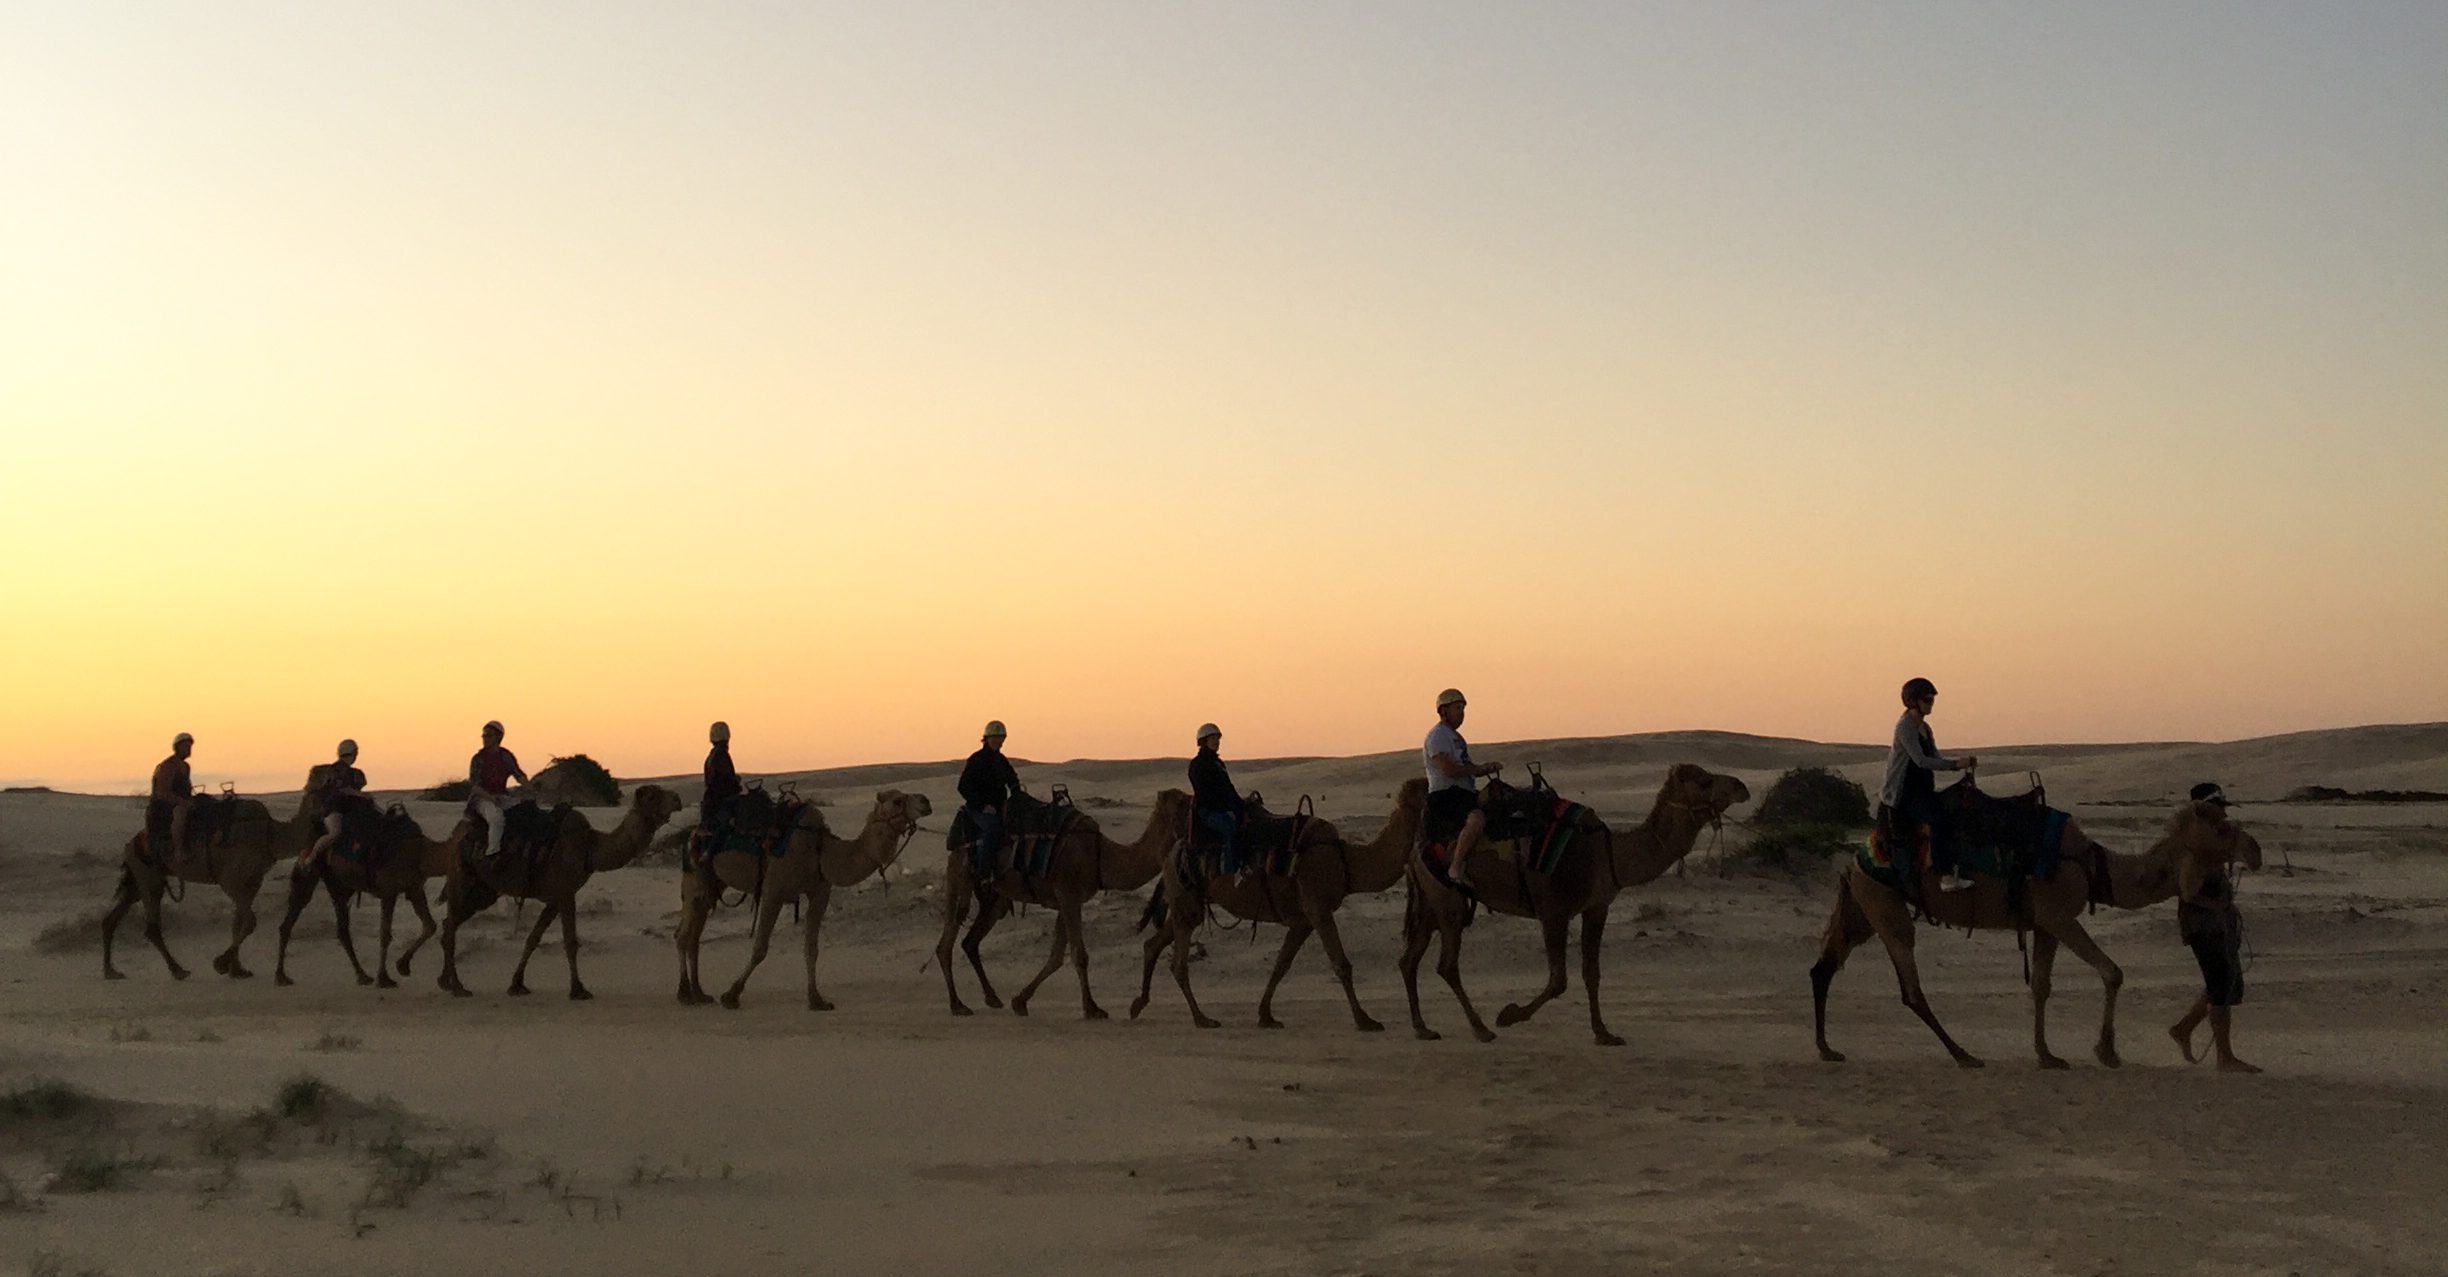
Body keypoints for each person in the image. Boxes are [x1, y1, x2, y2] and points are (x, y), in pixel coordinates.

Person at [2170, 783, 2259, 1072]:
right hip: (2201, 924)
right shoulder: (2192, 850)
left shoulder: (2214, 844)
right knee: (2220, 983)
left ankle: (2184, 1028)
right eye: (2217, 808)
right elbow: (2187, 892)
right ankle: (2224, 1057)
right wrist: (2217, 907)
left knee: (2224, 980)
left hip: (2219, 923)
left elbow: (2254, 861)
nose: (2222, 814)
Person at [1879, 677, 1977, 894]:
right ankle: (1945, 875)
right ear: (1913, 700)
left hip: (1922, 790)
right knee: (1939, 820)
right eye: (1927, 699)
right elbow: (1921, 761)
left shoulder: (1925, 728)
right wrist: (1955, 765)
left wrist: (1961, 763)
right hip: (1904, 794)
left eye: (1932, 699)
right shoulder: (1905, 727)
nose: (1930, 703)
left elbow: (1935, 757)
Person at [1424, 689, 1501, 888]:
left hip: (1464, 793)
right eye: (1457, 708)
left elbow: (1467, 767)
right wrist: (1477, 769)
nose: (1461, 713)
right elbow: (1449, 769)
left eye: (1463, 709)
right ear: (1443, 711)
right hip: (1446, 796)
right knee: (1476, 819)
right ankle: (1456, 867)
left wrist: (1485, 769)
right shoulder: (1438, 736)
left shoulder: (1456, 737)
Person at [957, 721, 1023, 884]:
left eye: (1002, 738)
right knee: (993, 829)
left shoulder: (1001, 760)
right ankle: (983, 872)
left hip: (1000, 806)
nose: (999, 741)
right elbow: (963, 786)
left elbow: (1012, 780)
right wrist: (982, 805)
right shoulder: (976, 760)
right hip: (978, 808)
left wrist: (1018, 795)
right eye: (996, 737)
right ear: (987, 739)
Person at [1188, 723, 1246, 878]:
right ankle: (1229, 874)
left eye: (1217, 738)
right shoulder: (1198, 765)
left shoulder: (1219, 764)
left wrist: (1240, 806)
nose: (1216, 742)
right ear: (1203, 741)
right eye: (1212, 738)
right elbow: (1204, 792)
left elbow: (1229, 787)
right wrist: (1225, 809)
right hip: (1208, 811)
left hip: (1224, 809)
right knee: (1230, 830)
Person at [467, 720, 529, 859]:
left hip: (502, 796)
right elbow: (475, 786)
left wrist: (530, 788)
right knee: (496, 819)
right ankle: (492, 853)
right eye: (484, 735)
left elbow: (518, 775)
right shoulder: (478, 759)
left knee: (526, 811)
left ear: (498, 737)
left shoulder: (505, 756)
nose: (485, 738)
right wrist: (490, 798)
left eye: (488, 735)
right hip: (481, 799)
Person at [302, 739, 369, 868]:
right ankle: (311, 857)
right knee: (335, 833)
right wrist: (360, 794)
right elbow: (343, 789)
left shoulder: (353, 772)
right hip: (333, 808)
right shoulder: (335, 770)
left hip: (349, 808)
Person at [148, 732, 196, 865]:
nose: (188, 749)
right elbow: (162, 792)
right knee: (180, 813)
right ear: (177, 747)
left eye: (189, 746)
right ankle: (178, 851)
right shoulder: (167, 766)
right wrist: (182, 802)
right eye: (185, 746)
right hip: (164, 806)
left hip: (180, 801)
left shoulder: (185, 767)